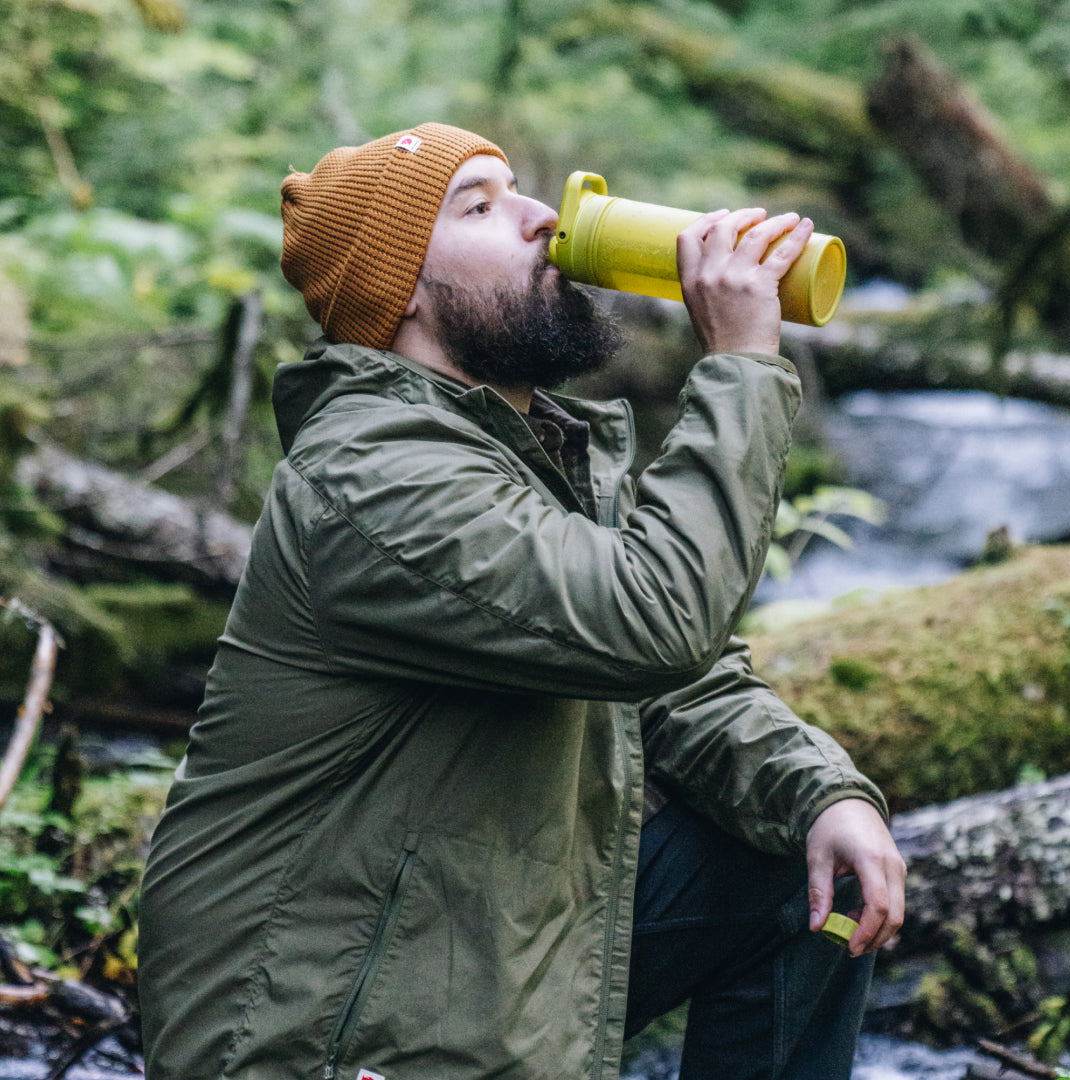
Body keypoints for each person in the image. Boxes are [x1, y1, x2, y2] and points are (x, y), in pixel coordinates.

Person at [137, 122, 906, 1080]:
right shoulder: (373, 474)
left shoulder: (517, 453)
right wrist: (742, 365)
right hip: (323, 1028)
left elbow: (676, 681)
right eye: (482, 205)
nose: (543, 217)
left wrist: (822, 791)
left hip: (466, 939)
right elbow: (650, 624)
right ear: (403, 291)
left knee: (795, 875)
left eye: (517, 189)